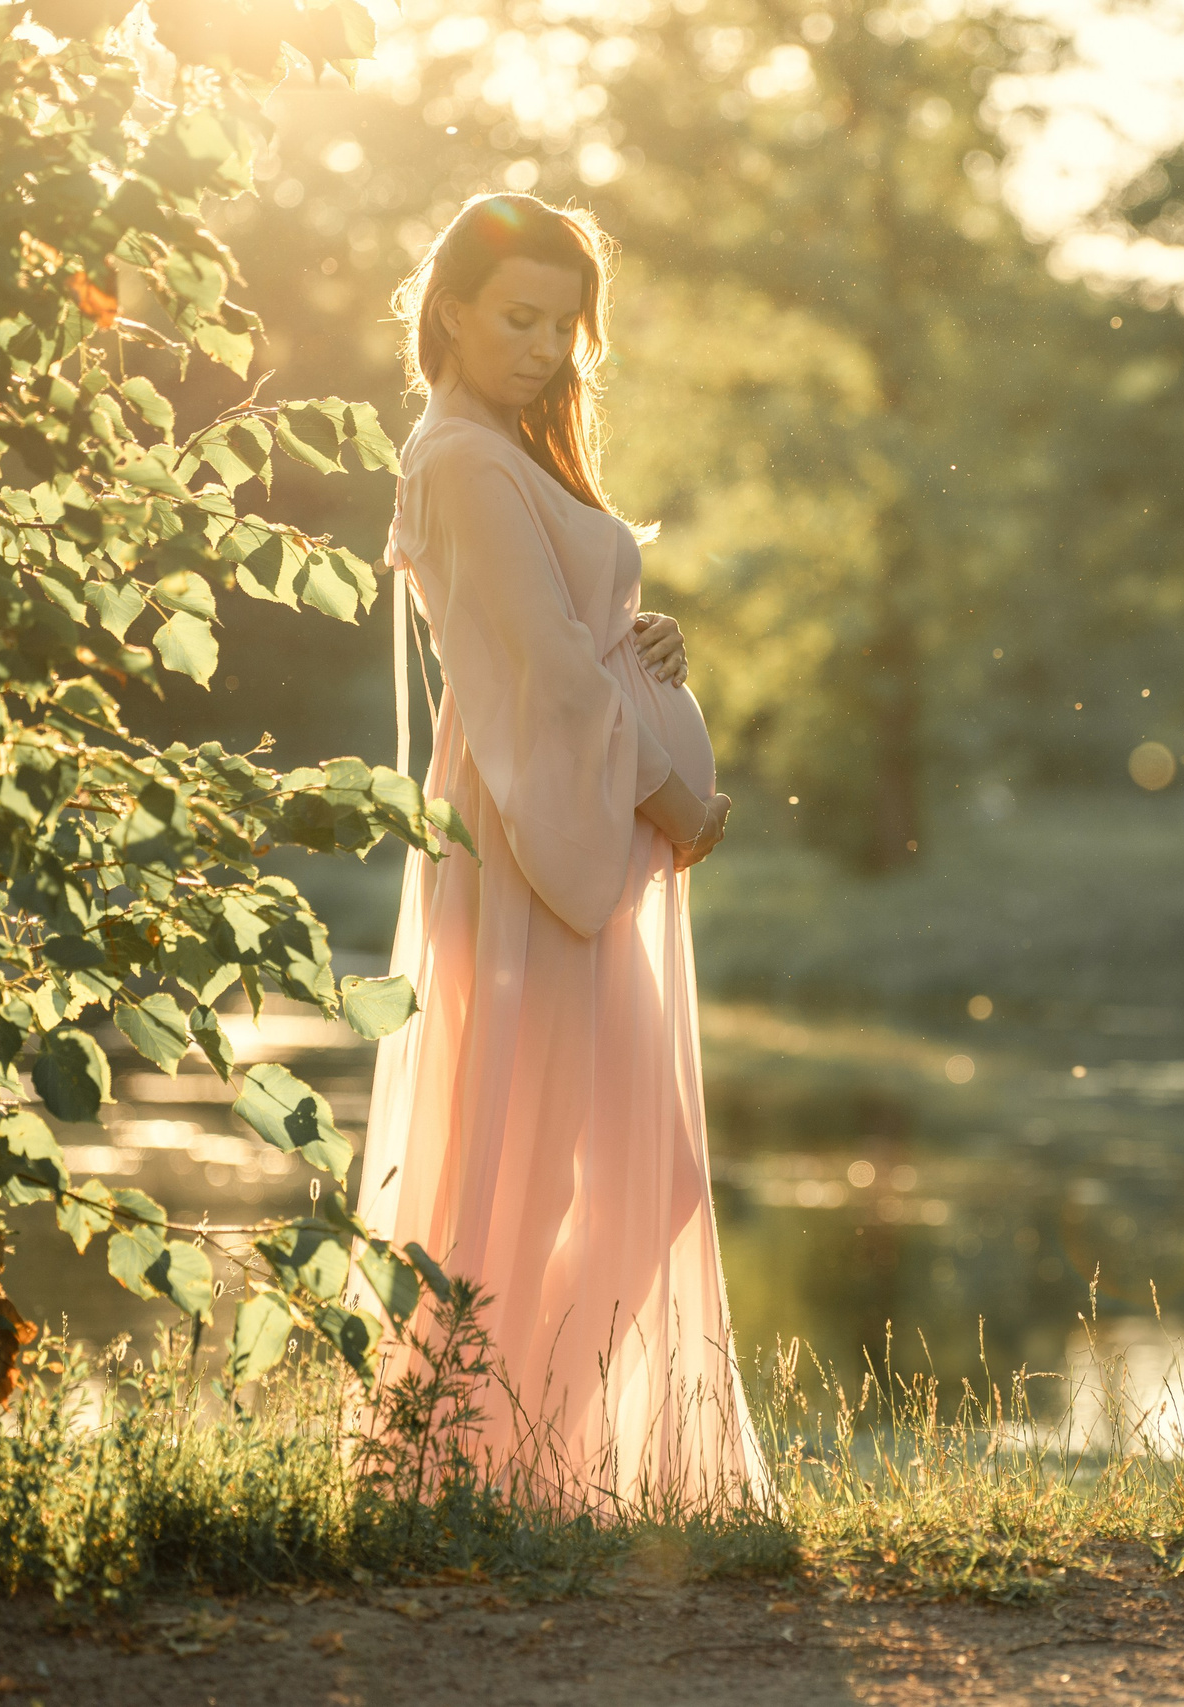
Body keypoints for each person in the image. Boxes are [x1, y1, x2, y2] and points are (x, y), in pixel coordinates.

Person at [356, 192, 770, 1513]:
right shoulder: (465, 461)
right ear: (453, 312)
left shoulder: (508, 450)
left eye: (563, 321)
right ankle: (464, 1461)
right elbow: (541, 683)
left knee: (561, 1167)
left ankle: (494, 1460)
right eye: (516, 317)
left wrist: (652, 648)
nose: (542, 344)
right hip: (533, 828)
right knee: (532, 1167)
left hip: (555, 804)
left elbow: (577, 643)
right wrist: (672, 801)